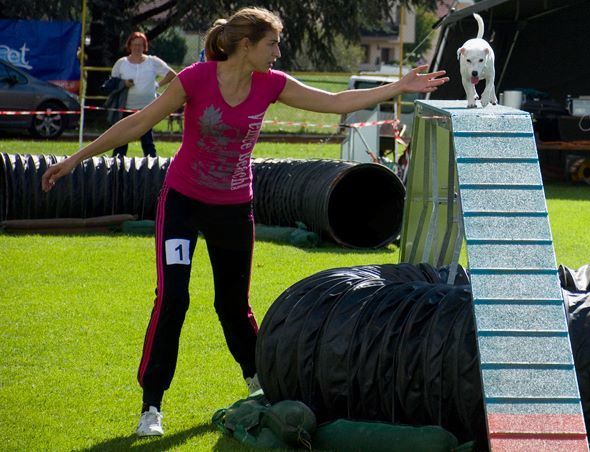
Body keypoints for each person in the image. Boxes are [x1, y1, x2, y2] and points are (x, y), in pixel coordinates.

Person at [41, 7, 448, 438]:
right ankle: (151, 406)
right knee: (173, 299)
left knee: (233, 305)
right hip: (182, 203)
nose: (278, 52)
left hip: (233, 208)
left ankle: (260, 384)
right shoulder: (196, 79)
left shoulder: (271, 84)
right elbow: (139, 122)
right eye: (272, 43)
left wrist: (399, 86)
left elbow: (334, 103)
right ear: (246, 45)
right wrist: (75, 159)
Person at [110, 31, 177, 157]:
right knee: (121, 141)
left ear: (144, 46)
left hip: (147, 108)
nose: (137, 48)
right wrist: (124, 83)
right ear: (129, 46)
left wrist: (157, 85)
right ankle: (116, 165)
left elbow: (172, 74)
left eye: (140, 45)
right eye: (134, 45)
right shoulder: (121, 63)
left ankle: (152, 165)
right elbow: (112, 82)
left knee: (147, 141)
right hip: (125, 108)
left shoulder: (152, 61)